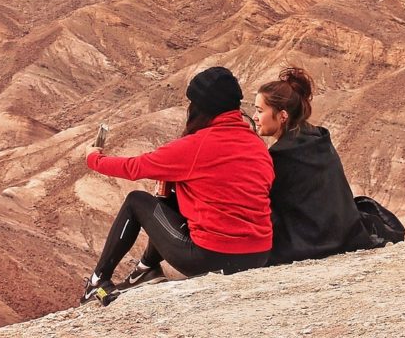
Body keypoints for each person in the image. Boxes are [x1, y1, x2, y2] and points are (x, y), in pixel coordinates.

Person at [81, 67, 275, 303]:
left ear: (200, 108)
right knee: (170, 192)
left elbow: (134, 167)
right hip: (259, 254)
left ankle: (97, 281)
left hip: (213, 257)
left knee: (137, 201)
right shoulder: (256, 144)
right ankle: (145, 270)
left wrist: (94, 158)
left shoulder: (197, 145)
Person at [252, 67, 376, 264]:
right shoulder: (318, 138)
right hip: (344, 234)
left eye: (259, 111)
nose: (255, 117)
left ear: (282, 116)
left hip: (308, 243)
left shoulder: (282, 156)